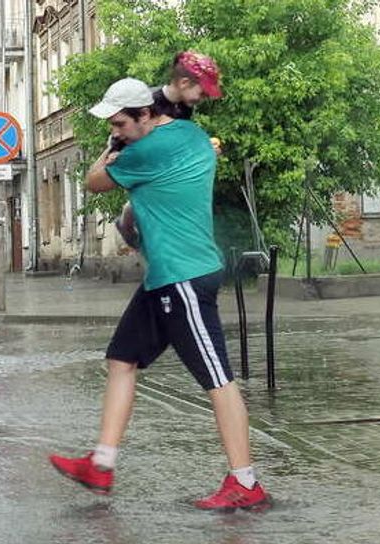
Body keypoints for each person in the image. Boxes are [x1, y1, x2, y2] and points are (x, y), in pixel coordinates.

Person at [49, 77, 270, 512]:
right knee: (121, 359)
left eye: (119, 123)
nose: (115, 131)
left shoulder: (144, 151)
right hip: (165, 277)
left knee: (218, 379)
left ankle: (245, 481)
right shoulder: (190, 135)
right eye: (112, 125)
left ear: (146, 115)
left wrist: (112, 148)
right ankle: (101, 463)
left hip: (183, 277)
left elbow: (93, 181)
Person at [114, 51, 223, 251]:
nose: (204, 98)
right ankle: (128, 224)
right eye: (202, 93)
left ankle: (131, 223)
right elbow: (121, 130)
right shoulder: (148, 102)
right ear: (184, 83)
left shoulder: (185, 107)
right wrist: (115, 152)